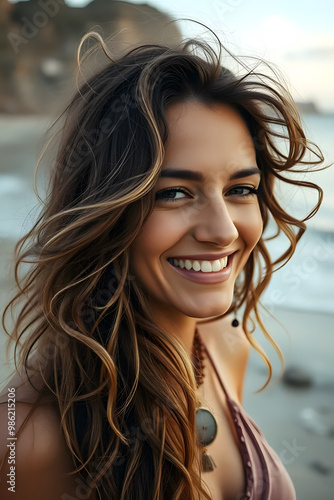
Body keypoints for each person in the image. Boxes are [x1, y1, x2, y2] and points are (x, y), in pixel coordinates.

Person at [0, 26, 324, 500]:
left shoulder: (224, 346)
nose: (224, 231)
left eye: (241, 189)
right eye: (174, 193)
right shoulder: (25, 438)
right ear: (103, 210)